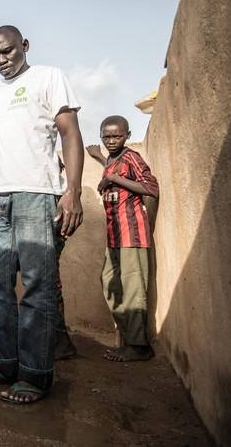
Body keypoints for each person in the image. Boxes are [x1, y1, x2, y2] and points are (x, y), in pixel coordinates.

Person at [0, 25, 84, 404]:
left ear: (25, 46)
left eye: (8, 51)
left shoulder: (48, 78)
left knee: (37, 285)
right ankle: (8, 365)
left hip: (37, 194)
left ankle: (35, 376)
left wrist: (73, 191)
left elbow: (70, 133)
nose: (2, 60)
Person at [86, 116, 159, 362]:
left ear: (127, 135)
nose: (111, 141)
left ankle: (139, 346)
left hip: (133, 235)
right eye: (106, 136)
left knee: (133, 290)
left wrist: (113, 179)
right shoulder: (111, 160)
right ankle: (130, 340)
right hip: (114, 236)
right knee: (110, 284)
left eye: (117, 136)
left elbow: (151, 188)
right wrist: (100, 159)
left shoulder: (131, 158)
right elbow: (112, 168)